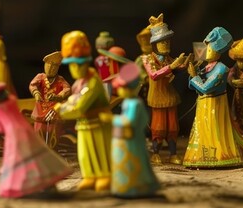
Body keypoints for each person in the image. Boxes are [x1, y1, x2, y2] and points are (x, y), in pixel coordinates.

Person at [0, 83, 73, 198]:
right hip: (25, 129)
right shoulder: (12, 100)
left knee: (18, 158)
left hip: (13, 135)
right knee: (36, 153)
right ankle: (47, 179)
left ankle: (24, 185)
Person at [50, 30, 112, 191]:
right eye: (72, 64)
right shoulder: (80, 82)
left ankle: (104, 175)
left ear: (86, 62)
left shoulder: (92, 83)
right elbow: (73, 99)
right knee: (85, 153)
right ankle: (90, 176)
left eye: (78, 64)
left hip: (98, 123)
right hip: (84, 124)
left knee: (99, 151)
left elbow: (79, 107)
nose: (75, 68)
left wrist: (61, 109)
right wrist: (65, 105)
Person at [184, 27, 243, 168]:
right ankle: (202, 156)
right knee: (203, 129)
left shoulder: (221, 68)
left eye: (208, 47)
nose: (205, 50)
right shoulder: (205, 68)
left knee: (214, 129)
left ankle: (219, 156)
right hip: (203, 105)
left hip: (215, 105)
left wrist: (195, 76)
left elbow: (206, 88)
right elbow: (193, 87)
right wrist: (193, 74)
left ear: (217, 49)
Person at [141, 13, 188, 165]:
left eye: (167, 42)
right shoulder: (147, 59)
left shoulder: (168, 58)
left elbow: (178, 66)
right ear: (154, 43)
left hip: (170, 96)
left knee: (173, 127)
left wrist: (186, 62)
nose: (166, 45)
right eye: (162, 42)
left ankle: (173, 154)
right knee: (159, 127)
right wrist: (173, 66)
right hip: (158, 97)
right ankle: (156, 153)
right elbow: (154, 75)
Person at [110, 63, 160, 198]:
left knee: (134, 161)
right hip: (125, 138)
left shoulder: (135, 103)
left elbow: (129, 121)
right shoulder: (127, 102)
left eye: (120, 88)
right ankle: (124, 185)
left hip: (133, 139)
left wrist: (112, 120)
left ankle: (136, 186)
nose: (118, 91)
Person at [28, 51, 71, 148]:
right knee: (39, 129)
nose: (50, 69)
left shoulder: (60, 80)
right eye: (48, 66)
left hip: (54, 110)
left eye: (53, 67)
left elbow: (67, 89)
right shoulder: (40, 77)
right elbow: (32, 85)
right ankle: (39, 149)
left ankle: (52, 149)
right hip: (40, 109)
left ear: (57, 68)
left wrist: (58, 96)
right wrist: (36, 93)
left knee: (53, 130)